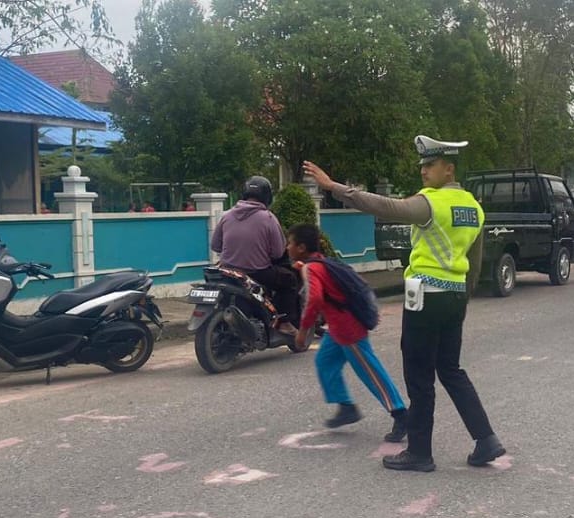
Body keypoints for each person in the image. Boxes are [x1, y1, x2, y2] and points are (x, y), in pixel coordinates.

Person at [302, 136, 504, 473]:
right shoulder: (473, 207)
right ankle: (486, 439)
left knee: (419, 376)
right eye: (422, 166)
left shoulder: (431, 203)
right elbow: (475, 260)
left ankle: (420, 452)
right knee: (451, 370)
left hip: (425, 296)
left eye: (430, 165)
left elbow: (385, 207)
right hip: (455, 296)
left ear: (449, 169)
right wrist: (462, 297)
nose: (424, 171)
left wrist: (333, 186)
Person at [288, 223, 408, 442]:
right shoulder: (321, 263)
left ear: (301, 247)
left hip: (348, 329)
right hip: (337, 328)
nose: (288, 247)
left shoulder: (312, 268)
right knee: (325, 362)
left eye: (290, 243)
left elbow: (314, 299)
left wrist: (303, 330)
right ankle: (346, 407)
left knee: (370, 372)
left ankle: (400, 413)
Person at [210, 176, 301, 333]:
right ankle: (285, 322)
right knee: (290, 279)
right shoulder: (268, 218)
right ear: (267, 196)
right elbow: (278, 252)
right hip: (257, 273)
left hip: (228, 272)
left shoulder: (227, 215)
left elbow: (215, 246)